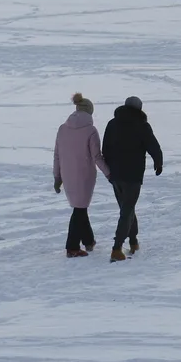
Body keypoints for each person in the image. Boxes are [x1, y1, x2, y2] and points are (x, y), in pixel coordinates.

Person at [100, 96, 163, 262]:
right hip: (133, 175)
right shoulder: (142, 125)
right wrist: (158, 163)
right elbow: (153, 146)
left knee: (127, 208)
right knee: (127, 210)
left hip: (115, 174)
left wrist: (109, 169)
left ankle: (133, 242)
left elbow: (105, 148)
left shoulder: (112, 124)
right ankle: (116, 248)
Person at [53, 93, 110, 257]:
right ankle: (72, 247)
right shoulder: (91, 131)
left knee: (80, 207)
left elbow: (57, 155)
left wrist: (57, 177)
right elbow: (97, 157)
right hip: (85, 176)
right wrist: (109, 174)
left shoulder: (62, 128)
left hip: (67, 175)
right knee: (79, 209)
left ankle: (88, 240)